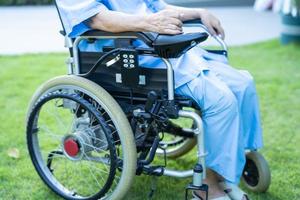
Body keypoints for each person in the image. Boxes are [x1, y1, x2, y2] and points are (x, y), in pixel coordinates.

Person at [57, 0, 263, 199]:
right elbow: (98, 20)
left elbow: (160, 9)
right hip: (128, 59)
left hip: (166, 51)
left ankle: (230, 166)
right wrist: (149, 22)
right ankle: (208, 185)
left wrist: (200, 13)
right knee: (221, 101)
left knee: (243, 84)